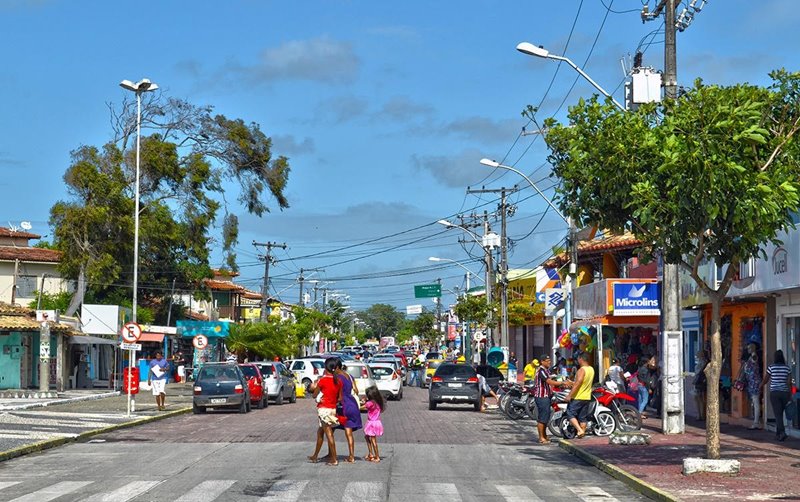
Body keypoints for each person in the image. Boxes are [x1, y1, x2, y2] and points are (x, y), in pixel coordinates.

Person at [308, 358, 341, 465]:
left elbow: (314, 394)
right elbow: (339, 398)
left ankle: (334, 459)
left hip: (324, 409)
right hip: (332, 408)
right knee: (320, 432)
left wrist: (319, 397)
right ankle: (315, 455)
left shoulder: (323, 380)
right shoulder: (338, 381)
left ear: (326, 368)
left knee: (328, 434)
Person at [533, 354, 569, 444]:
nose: (549, 362)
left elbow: (552, 378)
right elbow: (549, 381)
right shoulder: (541, 371)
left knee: (546, 417)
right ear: (542, 362)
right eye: (547, 361)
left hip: (547, 396)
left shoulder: (546, 371)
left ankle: (544, 436)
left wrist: (562, 382)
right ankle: (541, 438)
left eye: (550, 361)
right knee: (542, 418)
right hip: (542, 397)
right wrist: (562, 382)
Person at [761, 349, 793, 441]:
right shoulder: (787, 368)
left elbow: (766, 379)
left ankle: (782, 432)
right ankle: (778, 434)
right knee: (780, 413)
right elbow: (789, 382)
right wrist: (790, 394)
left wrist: (760, 385)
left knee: (778, 414)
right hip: (785, 393)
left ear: (775, 357)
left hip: (775, 393)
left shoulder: (771, 367)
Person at [334, 360, 363, 463]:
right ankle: (351, 456)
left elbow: (337, 393)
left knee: (330, 427)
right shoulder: (350, 376)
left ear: (337, 367)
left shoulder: (337, 378)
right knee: (349, 432)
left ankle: (331, 454)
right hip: (352, 403)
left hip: (343, 405)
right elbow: (356, 390)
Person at [564, 352, 594, 438]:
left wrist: (569, 395)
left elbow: (579, 382)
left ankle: (579, 430)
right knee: (582, 417)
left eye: (578, 359)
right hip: (587, 397)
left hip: (578, 397)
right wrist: (572, 383)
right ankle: (582, 433)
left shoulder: (581, 370)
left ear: (581, 359)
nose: (577, 360)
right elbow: (582, 383)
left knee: (570, 413)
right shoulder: (591, 369)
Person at [739, 343, 763, 429]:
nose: (748, 349)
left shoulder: (754, 356)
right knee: (754, 401)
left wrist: (753, 352)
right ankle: (755, 420)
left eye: (749, 348)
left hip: (754, 382)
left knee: (756, 401)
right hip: (752, 382)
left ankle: (756, 422)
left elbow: (754, 359)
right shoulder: (750, 357)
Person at [363, 385, 385, 462]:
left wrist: (362, 402)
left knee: (373, 440)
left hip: (372, 423)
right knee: (367, 437)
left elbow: (362, 407)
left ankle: (377, 456)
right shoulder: (378, 402)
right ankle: (371, 453)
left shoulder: (370, 403)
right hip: (377, 422)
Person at [692, 350, 709, 421]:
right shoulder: (702, 362)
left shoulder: (703, 363)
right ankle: (700, 414)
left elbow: (699, 372)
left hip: (700, 382)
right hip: (699, 381)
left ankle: (701, 414)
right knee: (699, 398)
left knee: (699, 398)